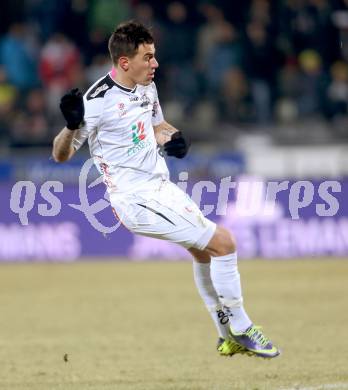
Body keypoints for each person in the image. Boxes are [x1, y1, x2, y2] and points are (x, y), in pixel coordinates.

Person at [52, 21, 280, 359]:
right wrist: (72, 126)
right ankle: (243, 327)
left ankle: (225, 336)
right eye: (148, 57)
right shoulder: (96, 101)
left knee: (203, 251)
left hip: (161, 188)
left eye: (154, 55)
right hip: (135, 199)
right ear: (125, 62)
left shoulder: (147, 87)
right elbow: (61, 154)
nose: (155, 64)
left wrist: (174, 139)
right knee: (225, 243)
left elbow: (158, 126)